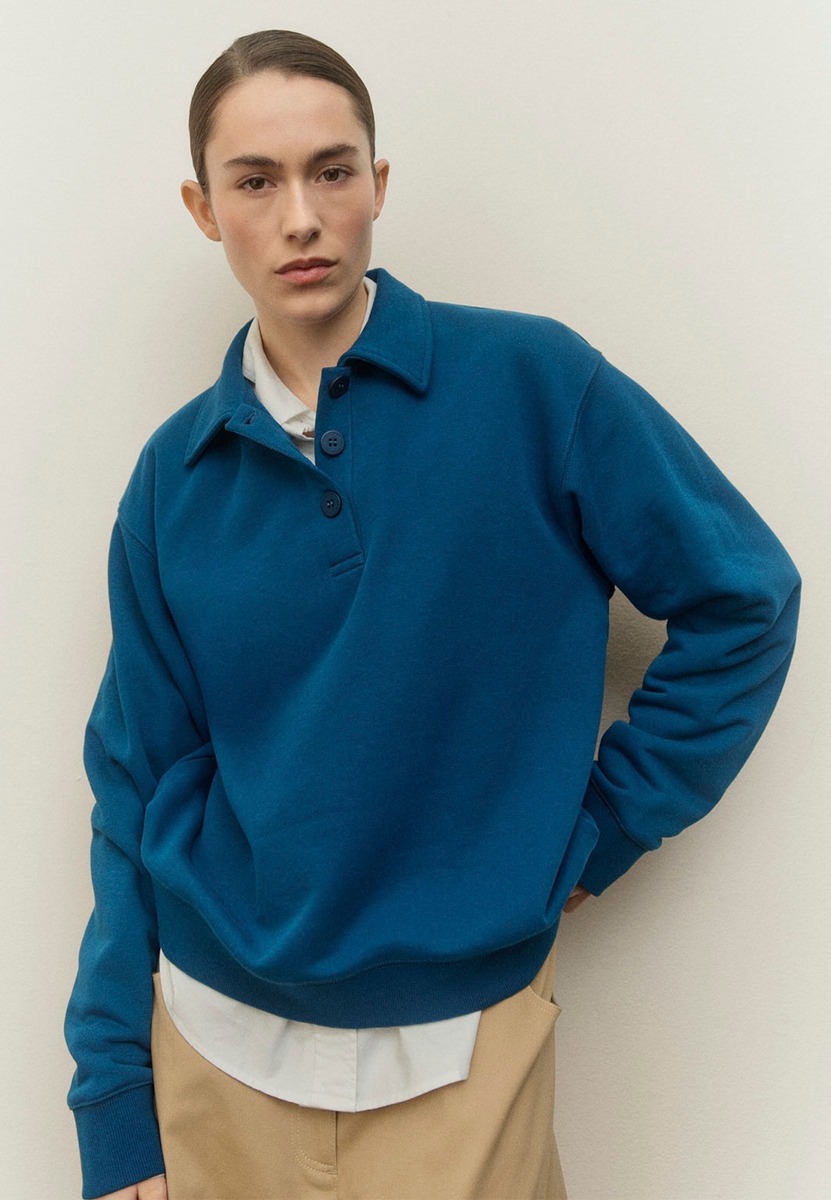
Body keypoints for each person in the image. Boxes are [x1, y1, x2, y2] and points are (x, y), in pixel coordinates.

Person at [64, 29, 800, 1200]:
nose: (301, 217)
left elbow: (744, 599)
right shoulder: (173, 477)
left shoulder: (535, 386)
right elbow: (133, 785)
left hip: (466, 1056)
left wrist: (602, 829)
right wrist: (111, 1094)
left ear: (378, 184)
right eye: (256, 182)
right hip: (209, 1049)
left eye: (332, 171)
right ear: (205, 210)